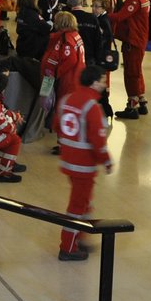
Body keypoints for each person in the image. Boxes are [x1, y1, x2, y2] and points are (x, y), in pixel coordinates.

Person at [56, 65, 111, 261]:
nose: (105, 84)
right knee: (77, 207)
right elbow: (98, 141)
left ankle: (81, 238)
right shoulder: (91, 107)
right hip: (84, 165)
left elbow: (57, 125)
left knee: (84, 202)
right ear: (94, 82)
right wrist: (106, 161)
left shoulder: (66, 100)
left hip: (69, 161)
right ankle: (68, 247)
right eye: (103, 80)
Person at [109, 0, 151, 120]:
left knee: (131, 73)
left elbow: (120, 17)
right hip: (140, 39)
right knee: (137, 71)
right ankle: (141, 100)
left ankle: (131, 106)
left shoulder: (134, 0)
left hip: (133, 41)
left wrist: (104, 15)